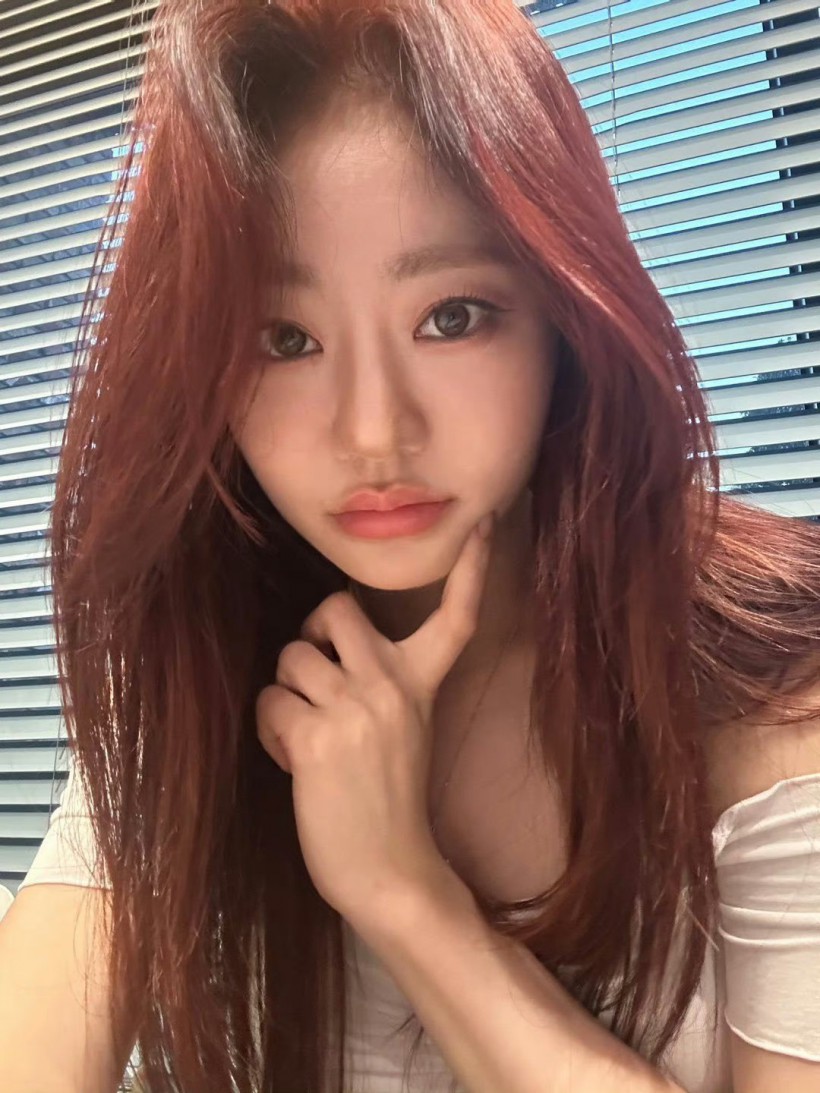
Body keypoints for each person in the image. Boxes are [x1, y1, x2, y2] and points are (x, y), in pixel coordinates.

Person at [1, 1, 819, 1091]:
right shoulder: (201, 682)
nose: (373, 430)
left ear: (565, 320)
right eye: (284, 338)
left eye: (452, 316)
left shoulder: (770, 690)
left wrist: (403, 892)